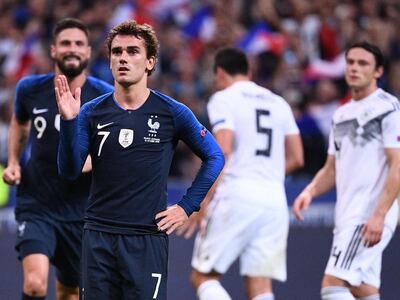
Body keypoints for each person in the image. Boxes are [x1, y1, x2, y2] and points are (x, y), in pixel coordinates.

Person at [55, 20, 224, 300]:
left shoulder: (173, 112)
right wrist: (69, 122)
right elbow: (70, 171)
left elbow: (215, 156)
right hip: (99, 236)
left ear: (149, 62)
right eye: (117, 52)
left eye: (133, 51)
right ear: (109, 61)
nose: (123, 58)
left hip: (147, 238)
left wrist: (186, 207)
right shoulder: (91, 112)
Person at [178, 47, 304, 300]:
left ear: (220, 73)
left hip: (237, 193)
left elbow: (222, 149)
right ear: (248, 71)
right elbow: (297, 158)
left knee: (203, 277)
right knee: (260, 285)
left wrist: (202, 201)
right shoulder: (279, 103)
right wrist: (263, 174)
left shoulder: (224, 98)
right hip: (274, 198)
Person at [2, 18, 113, 300]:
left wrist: (83, 163)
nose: (72, 49)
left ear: (88, 52)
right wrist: (14, 161)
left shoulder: (103, 97)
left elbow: (108, 151)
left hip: (81, 211)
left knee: (70, 292)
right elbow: (20, 122)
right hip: (37, 203)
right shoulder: (30, 89)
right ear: (53, 50)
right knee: (35, 284)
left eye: (78, 44)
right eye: (65, 43)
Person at [293, 41, 400, 300]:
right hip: (347, 213)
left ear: (378, 72)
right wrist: (310, 191)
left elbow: (398, 164)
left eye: (363, 63)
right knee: (363, 288)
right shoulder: (341, 113)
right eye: (350, 62)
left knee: (333, 284)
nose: (354, 68)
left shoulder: (388, 108)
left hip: (368, 215)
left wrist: (379, 214)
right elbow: (332, 168)